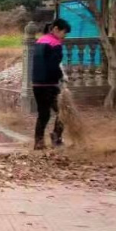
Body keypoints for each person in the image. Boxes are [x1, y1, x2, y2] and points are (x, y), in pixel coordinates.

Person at [31, 19, 71, 150]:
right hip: (49, 84)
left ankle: (38, 142)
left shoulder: (40, 41)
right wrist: (61, 76)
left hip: (37, 84)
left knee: (43, 113)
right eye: (64, 32)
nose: (64, 36)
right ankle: (56, 137)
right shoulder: (55, 44)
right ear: (56, 29)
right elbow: (54, 65)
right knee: (63, 111)